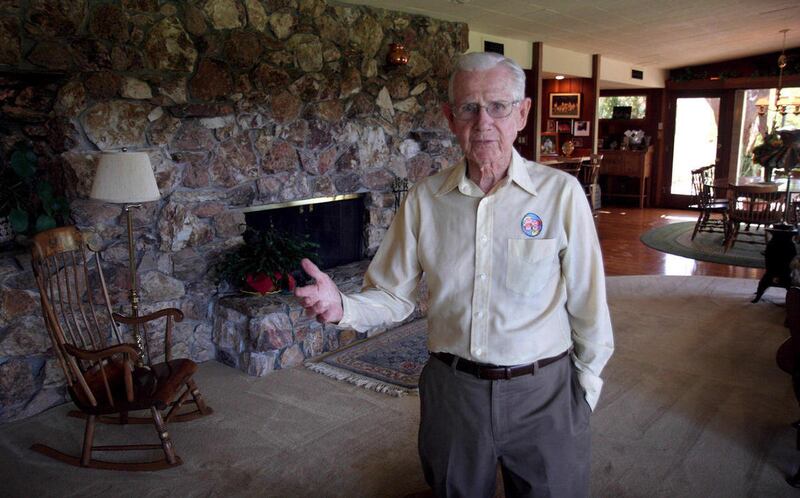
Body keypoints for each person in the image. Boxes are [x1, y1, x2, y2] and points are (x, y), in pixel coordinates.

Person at [294, 51, 614, 498]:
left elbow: (589, 305)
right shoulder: (425, 200)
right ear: (450, 117)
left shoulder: (560, 194)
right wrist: (342, 306)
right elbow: (393, 293)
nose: (483, 122)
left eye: (499, 106)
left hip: (545, 394)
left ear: (522, 114)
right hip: (453, 394)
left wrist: (584, 393)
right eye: (468, 107)